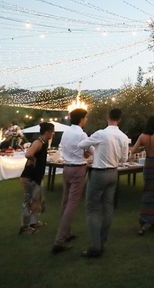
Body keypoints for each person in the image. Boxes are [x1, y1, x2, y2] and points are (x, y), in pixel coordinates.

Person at [77, 108, 130, 258]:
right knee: (108, 207)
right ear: (119, 119)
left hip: (99, 173)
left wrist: (93, 149)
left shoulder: (101, 134)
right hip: (113, 173)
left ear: (108, 117)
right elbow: (124, 160)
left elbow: (81, 144)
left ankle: (95, 247)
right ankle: (102, 240)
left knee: (92, 208)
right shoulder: (123, 137)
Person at [51, 108, 90, 254]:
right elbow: (90, 151)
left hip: (66, 168)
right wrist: (86, 153)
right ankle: (59, 240)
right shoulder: (81, 134)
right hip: (78, 169)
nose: (86, 120)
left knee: (65, 201)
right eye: (86, 118)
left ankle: (66, 233)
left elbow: (64, 148)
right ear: (81, 119)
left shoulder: (66, 132)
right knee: (72, 204)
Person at [19, 122, 54, 235]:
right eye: (52, 132)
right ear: (48, 132)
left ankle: (33, 223)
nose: (53, 134)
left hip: (36, 178)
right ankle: (25, 227)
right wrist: (34, 161)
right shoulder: (38, 142)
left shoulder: (43, 143)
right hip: (30, 177)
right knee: (28, 202)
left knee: (36, 201)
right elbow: (28, 154)